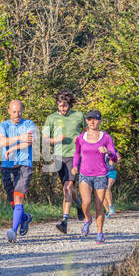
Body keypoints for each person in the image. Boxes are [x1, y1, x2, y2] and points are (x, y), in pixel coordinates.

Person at [42, 89, 85, 234]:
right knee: (68, 188)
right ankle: (79, 205)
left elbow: (87, 132)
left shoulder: (79, 116)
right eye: (60, 106)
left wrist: (80, 139)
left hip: (74, 155)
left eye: (65, 106)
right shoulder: (51, 118)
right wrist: (56, 140)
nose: (63, 109)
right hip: (59, 156)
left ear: (70, 104)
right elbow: (45, 139)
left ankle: (64, 221)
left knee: (67, 187)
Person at [71, 110, 117, 244]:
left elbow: (114, 156)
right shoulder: (81, 137)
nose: (92, 122)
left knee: (98, 206)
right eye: (90, 119)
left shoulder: (106, 137)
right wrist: (75, 166)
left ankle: (100, 233)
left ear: (100, 121)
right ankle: (87, 219)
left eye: (95, 119)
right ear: (86, 121)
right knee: (85, 203)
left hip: (101, 175)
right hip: (85, 174)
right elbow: (76, 153)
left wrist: (107, 151)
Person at [0, 100, 36, 243]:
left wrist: (13, 147)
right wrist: (20, 138)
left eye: (19, 111)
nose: (17, 114)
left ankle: (13, 230)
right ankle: (25, 218)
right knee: (12, 201)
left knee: (19, 197)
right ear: (9, 111)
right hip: (7, 166)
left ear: (23, 110)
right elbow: (1, 142)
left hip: (24, 165)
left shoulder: (29, 124)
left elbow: (29, 141)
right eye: (14, 111)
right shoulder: (2, 126)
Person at [103, 147, 121, 219]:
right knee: (102, 192)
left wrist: (114, 161)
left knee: (107, 188)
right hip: (101, 172)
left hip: (111, 171)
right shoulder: (96, 148)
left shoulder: (113, 149)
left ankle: (111, 206)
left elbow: (119, 158)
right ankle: (107, 211)